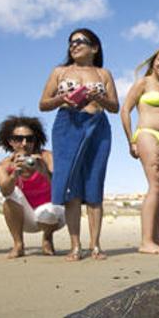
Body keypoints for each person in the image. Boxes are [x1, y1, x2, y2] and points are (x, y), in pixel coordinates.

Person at [39, 28, 118, 261]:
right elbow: (43, 103)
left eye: (80, 41)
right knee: (72, 185)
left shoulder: (103, 73)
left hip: (98, 126)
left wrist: (99, 97)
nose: (74, 45)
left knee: (94, 183)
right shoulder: (60, 71)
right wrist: (61, 98)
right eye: (71, 42)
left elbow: (114, 106)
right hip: (67, 125)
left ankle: (95, 245)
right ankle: (76, 245)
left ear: (94, 47)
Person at [120, 46, 159, 254]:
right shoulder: (143, 83)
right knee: (155, 184)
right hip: (147, 134)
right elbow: (125, 110)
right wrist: (131, 141)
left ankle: (158, 240)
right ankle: (146, 242)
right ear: (153, 61)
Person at [0, 115, 65, 258]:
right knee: (10, 197)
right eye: (18, 139)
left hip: (52, 215)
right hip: (25, 218)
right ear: (10, 141)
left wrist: (43, 171)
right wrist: (14, 175)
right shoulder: (3, 166)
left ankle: (47, 238)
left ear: (36, 140)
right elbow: (5, 191)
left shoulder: (47, 157)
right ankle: (18, 244)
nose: (24, 143)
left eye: (29, 139)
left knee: (50, 211)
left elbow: (61, 188)